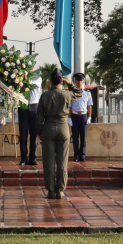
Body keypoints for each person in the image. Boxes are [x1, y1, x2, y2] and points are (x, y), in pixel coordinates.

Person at [37, 68, 83, 199]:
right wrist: (69, 84)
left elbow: (39, 117)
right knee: (62, 162)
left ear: (50, 81)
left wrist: (39, 132)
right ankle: (60, 190)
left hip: (49, 128)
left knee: (49, 162)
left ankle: (51, 190)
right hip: (63, 128)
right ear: (61, 81)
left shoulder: (44, 95)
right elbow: (79, 93)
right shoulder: (66, 94)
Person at [68, 72, 92, 162]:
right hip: (74, 116)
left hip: (83, 116)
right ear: (75, 81)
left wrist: (89, 117)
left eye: (81, 81)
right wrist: (69, 118)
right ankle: (76, 155)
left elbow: (89, 106)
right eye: (77, 81)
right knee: (75, 137)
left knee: (83, 137)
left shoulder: (87, 93)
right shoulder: (72, 93)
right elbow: (69, 106)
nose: (79, 82)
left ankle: (82, 155)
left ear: (83, 81)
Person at [18, 76, 41, 165]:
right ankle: (23, 158)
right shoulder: (19, 76)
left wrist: (25, 78)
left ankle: (32, 158)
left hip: (34, 105)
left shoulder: (37, 77)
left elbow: (32, 85)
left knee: (34, 133)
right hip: (23, 105)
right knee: (23, 134)